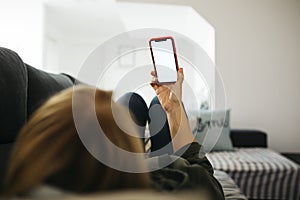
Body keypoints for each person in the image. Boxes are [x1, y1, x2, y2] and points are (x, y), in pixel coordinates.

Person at [2, 63, 224, 199]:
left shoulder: (27, 183)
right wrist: (174, 107)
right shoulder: (175, 183)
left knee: (131, 101)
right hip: (147, 172)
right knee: (148, 105)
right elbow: (206, 179)